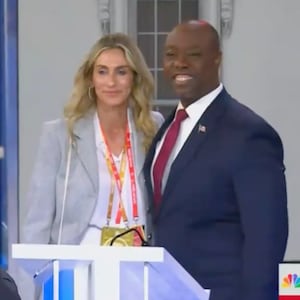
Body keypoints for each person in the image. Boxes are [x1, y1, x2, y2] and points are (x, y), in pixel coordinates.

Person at [143, 20, 288, 300]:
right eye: (171, 55)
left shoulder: (249, 134)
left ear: (217, 60)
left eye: (193, 55)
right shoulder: (166, 128)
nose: (180, 63)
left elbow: (266, 240)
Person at [22, 32, 164, 248]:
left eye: (121, 72)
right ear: (91, 78)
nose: (111, 82)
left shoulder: (152, 128)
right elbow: (37, 222)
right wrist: (33, 279)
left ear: (134, 78)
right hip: (79, 262)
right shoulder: (60, 135)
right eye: (102, 72)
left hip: (138, 261)